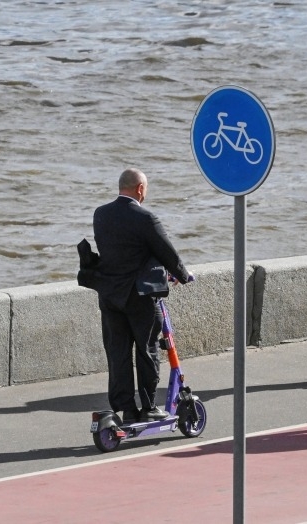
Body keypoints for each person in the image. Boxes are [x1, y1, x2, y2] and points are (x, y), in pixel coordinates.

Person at [92, 168, 192, 423]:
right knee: (147, 350)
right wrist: (182, 274)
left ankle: (126, 408)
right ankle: (148, 406)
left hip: (111, 297)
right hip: (140, 297)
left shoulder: (100, 215)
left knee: (118, 353)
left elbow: (119, 252)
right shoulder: (146, 218)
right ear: (139, 189)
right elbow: (167, 252)